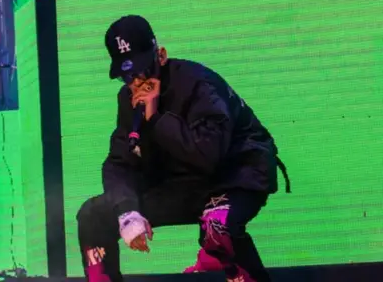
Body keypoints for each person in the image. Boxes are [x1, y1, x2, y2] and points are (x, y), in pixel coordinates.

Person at [76, 16, 290, 282]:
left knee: (217, 225)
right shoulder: (128, 101)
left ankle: (220, 256)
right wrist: (127, 211)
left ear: (161, 55)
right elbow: (119, 162)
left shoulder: (198, 83)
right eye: (127, 76)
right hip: (184, 182)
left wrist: (155, 118)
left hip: (236, 175)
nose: (137, 82)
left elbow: (208, 155)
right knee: (94, 214)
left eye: (143, 70)